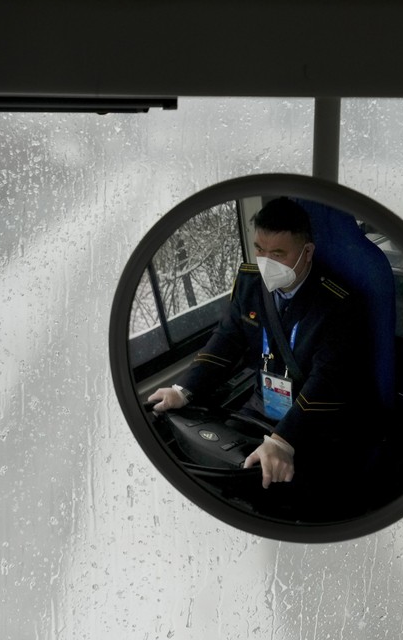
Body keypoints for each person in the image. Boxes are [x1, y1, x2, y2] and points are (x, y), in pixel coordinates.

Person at [146, 197, 372, 515]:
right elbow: (226, 339)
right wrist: (183, 389)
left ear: (307, 253)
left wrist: (283, 440)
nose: (266, 262)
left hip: (313, 419)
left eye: (278, 253)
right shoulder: (251, 280)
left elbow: (328, 379)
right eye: (259, 250)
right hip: (259, 406)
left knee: (293, 499)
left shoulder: (339, 303)